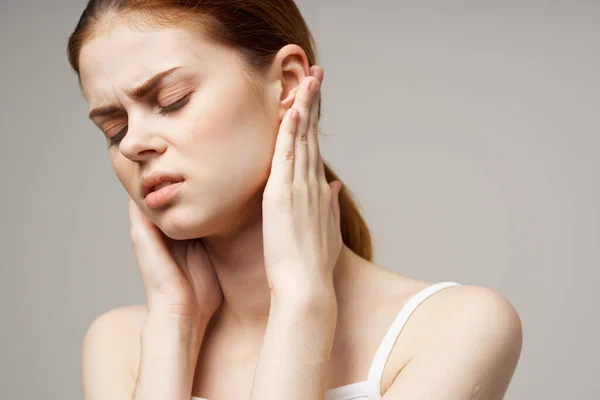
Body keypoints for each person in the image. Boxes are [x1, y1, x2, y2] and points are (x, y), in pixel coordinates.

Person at [68, 1, 523, 399]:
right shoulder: (122, 345)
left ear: (287, 83)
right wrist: (173, 326)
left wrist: (302, 302)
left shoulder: (453, 329)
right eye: (114, 130)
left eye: (172, 99)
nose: (132, 144)